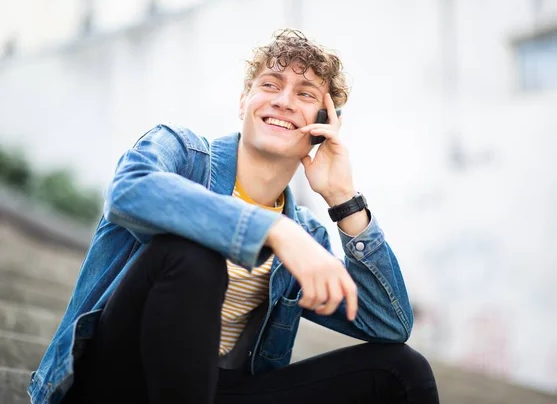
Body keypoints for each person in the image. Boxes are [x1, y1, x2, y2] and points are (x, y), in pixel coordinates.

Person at [29, 28, 439, 404]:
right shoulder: (181, 154)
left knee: (401, 370)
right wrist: (272, 230)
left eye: (306, 94)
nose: (283, 101)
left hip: (213, 388)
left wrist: (344, 199)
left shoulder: (306, 235)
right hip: (113, 380)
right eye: (270, 85)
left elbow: (388, 324)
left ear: (324, 124)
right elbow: (128, 192)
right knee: (194, 256)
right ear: (244, 101)